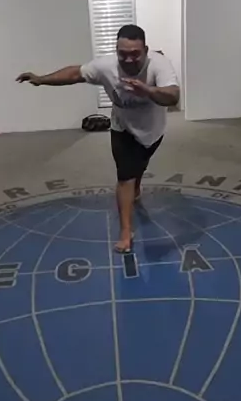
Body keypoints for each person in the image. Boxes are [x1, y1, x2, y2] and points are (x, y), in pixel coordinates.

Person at [16, 25, 180, 252]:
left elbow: (172, 96)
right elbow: (75, 73)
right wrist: (41, 79)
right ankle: (126, 232)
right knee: (125, 176)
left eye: (135, 54)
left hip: (153, 131)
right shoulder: (106, 66)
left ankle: (136, 186)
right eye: (123, 54)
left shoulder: (159, 64)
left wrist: (148, 91)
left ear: (145, 50)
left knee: (138, 167)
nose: (128, 59)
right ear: (116, 50)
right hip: (122, 128)